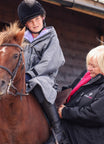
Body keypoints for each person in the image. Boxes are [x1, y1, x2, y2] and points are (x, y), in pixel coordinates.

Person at [17, 0, 69, 143]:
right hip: (23, 78)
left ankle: (57, 128)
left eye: (37, 19)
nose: (35, 23)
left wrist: (30, 74)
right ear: (25, 24)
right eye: (30, 21)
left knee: (39, 83)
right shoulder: (21, 39)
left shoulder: (51, 35)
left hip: (44, 78)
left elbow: (51, 60)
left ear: (43, 17)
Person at [58, 44, 104, 144]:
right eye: (88, 64)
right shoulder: (87, 76)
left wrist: (65, 112)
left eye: (93, 66)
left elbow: (95, 115)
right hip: (70, 132)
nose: (89, 68)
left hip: (91, 139)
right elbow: (71, 91)